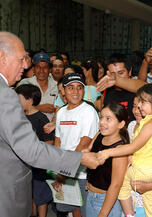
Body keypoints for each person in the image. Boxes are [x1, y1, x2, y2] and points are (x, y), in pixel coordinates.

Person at [0, 31, 100, 217]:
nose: (26, 65)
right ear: (2, 57)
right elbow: (30, 150)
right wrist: (79, 159)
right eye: (22, 59)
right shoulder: (3, 94)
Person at [98, 82, 152, 217]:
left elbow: (134, 147)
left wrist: (108, 152)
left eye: (143, 102)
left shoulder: (150, 124)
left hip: (144, 170)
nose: (139, 105)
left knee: (122, 184)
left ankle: (129, 214)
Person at [54, 73, 99, 217]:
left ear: (84, 90)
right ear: (64, 91)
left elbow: (84, 144)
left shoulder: (88, 111)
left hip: (82, 172)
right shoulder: (61, 112)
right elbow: (58, 141)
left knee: (84, 211)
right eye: (71, 88)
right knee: (73, 210)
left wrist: (64, 170)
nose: (75, 92)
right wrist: (56, 166)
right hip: (65, 169)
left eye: (79, 88)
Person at [15, 84, 54, 217]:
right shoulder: (20, 118)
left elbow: (49, 141)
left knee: (40, 194)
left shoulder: (41, 118)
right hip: (25, 164)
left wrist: (36, 151)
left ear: (29, 100)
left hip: (39, 165)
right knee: (30, 192)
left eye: (18, 98)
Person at [86, 102, 129, 217]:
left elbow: (115, 185)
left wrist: (103, 214)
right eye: (101, 118)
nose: (102, 122)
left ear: (121, 124)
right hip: (90, 194)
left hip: (105, 202)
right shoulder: (99, 135)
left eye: (108, 119)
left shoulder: (120, 149)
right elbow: (86, 153)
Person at [18, 52, 58, 121]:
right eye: (38, 67)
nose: (41, 71)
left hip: (51, 127)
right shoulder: (25, 83)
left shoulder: (57, 86)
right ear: (33, 69)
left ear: (50, 69)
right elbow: (16, 107)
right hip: (29, 127)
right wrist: (38, 108)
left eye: (45, 67)